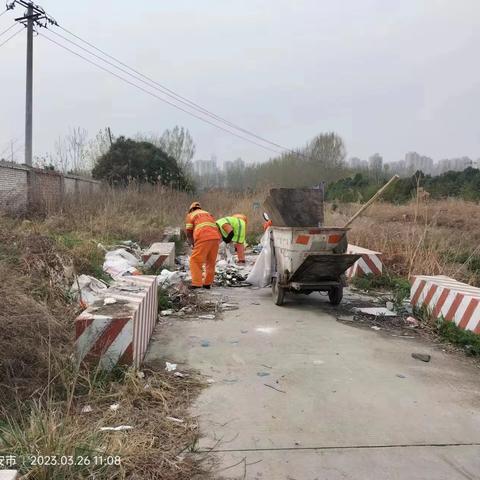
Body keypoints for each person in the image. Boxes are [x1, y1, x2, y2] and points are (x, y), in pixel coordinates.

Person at [185, 202, 221, 289]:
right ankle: (207, 283)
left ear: (191, 210)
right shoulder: (208, 214)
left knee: (195, 260)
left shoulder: (191, 215)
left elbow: (189, 232)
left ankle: (196, 283)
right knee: (210, 261)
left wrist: (192, 244)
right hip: (215, 238)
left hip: (203, 237)